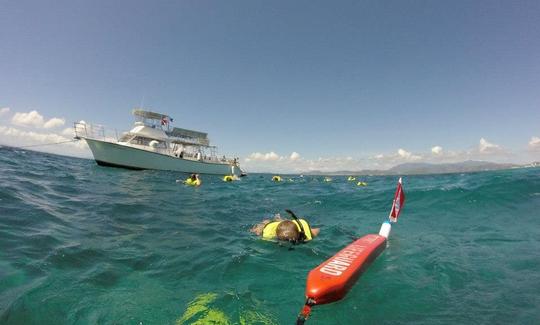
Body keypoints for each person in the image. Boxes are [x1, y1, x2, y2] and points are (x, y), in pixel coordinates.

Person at [250, 210, 320, 244]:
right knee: (260, 228)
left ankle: (280, 220)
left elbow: (316, 230)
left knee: (284, 223)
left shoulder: (303, 232)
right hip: (273, 226)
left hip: (291, 225)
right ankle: (277, 219)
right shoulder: (269, 234)